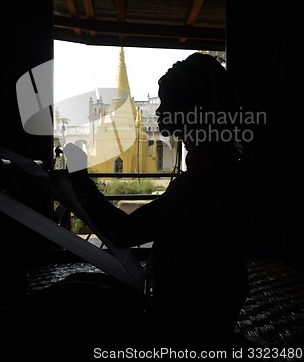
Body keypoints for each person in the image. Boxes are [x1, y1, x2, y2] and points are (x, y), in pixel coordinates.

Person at [63, 52, 250, 349]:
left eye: (167, 103)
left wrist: (79, 179)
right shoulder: (221, 171)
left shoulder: (205, 183)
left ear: (192, 110)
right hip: (192, 304)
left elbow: (123, 232)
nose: (159, 112)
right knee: (77, 286)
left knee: (67, 298)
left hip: (183, 321)